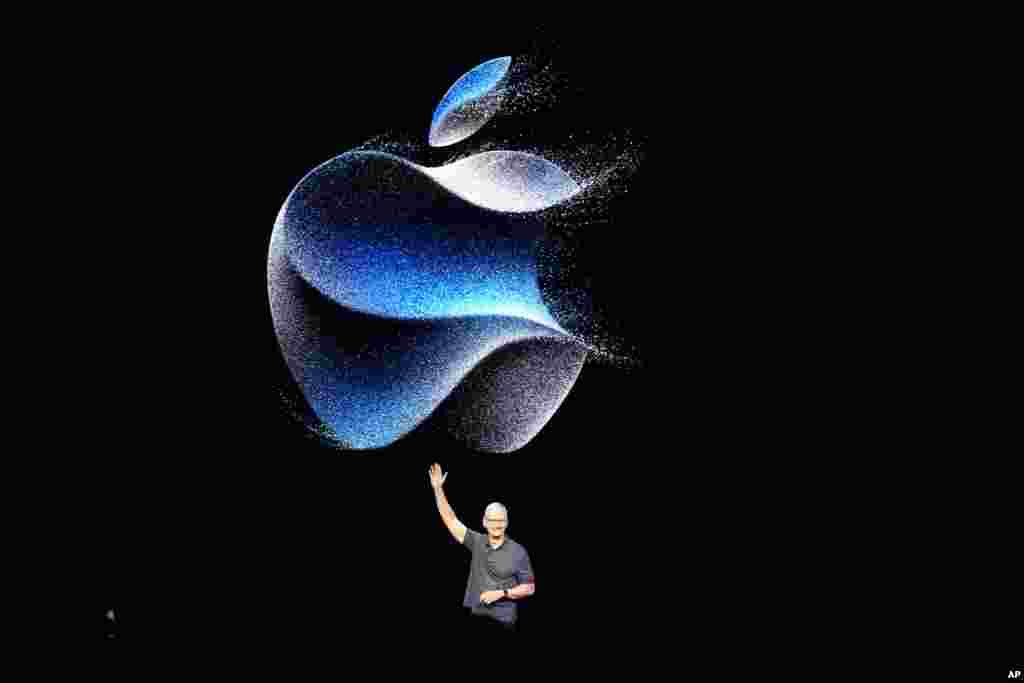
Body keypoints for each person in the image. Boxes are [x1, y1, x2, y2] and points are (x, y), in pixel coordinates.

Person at [428, 463, 535, 634]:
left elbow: (529, 587)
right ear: (484, 522)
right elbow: (451, 520)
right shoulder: (477, 542)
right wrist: (438, 488)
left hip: (504, 622)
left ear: (506, 523)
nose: (496, 525)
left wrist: (502, 593)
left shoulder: (518, 551)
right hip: (475, 617)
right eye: (492, 520)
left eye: (500, 520)